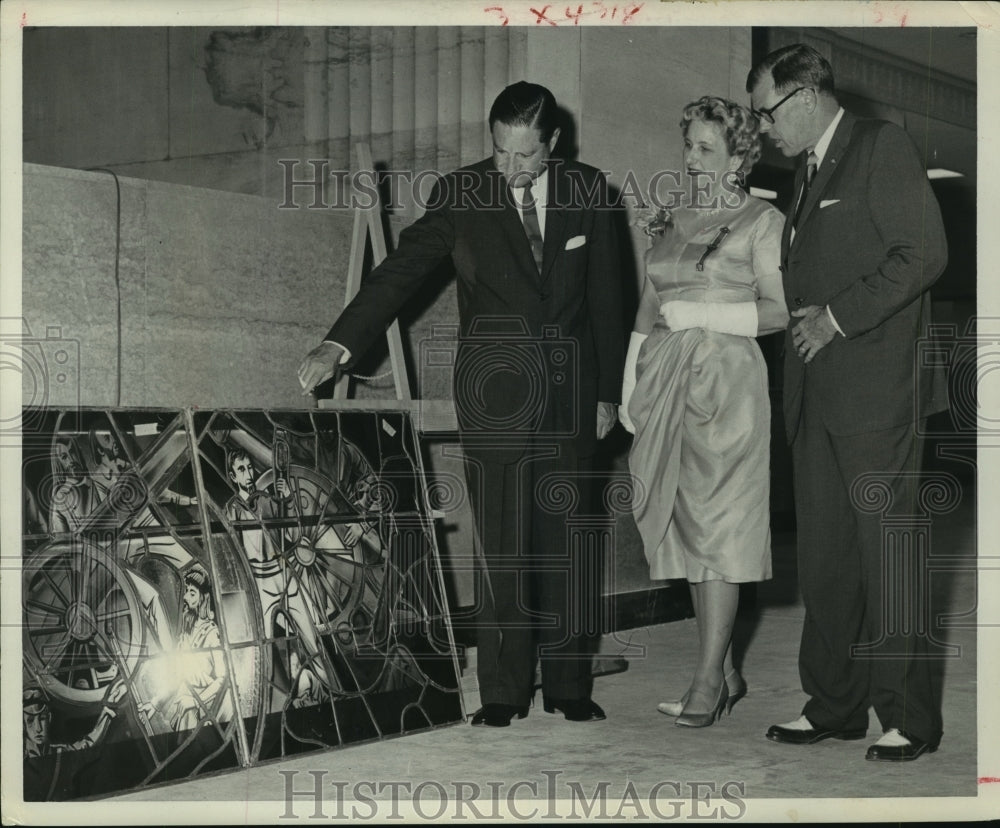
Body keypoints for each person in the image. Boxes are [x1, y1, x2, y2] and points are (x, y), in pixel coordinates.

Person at [297, 81, 624, 727]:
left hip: (572, 394)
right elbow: (400, 271)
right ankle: (503, 692)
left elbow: (612, 299)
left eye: (527, 156)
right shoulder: (463, 192)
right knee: (501, 546)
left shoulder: (591, 192)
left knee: (567, 544)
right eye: (502, 152)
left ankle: (568, 684)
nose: (512, 169)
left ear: (553, 144)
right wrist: (339, 345)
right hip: (496, 392)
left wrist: (611, 392)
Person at [747, 44, 947, 761]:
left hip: (875, 389)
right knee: (828, 559)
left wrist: (835, 317)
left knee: (889, 556)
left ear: (804, 95)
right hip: (816, 395)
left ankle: (909, 717)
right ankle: (834, 703)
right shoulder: (803, 173)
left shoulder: (879, 146)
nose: (763, 128)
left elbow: (923, 253)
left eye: (767, 112)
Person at [619, 96, 788, 728]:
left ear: (741, 155)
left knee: (719, 526)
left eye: (705, 148)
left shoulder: (761, 222)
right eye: (687, 145)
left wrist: (705, 315)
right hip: (665, 380)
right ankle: (724, 665)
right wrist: (633, 377)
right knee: (686, 528)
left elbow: (775, 311)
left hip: (725, 382)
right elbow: (645, 307)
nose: (691, 159)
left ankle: (707, 680)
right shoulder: (673, 217)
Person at [138, 566, 233, 732]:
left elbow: (224, 678)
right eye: (186, 592)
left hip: (208, 709)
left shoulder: (212, 633)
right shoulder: (186, 633)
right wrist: (155, 704)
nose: (186, 598)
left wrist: (195, 701)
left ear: (204, 598)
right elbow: (179, 675)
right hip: (185, 705)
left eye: (192, 593)